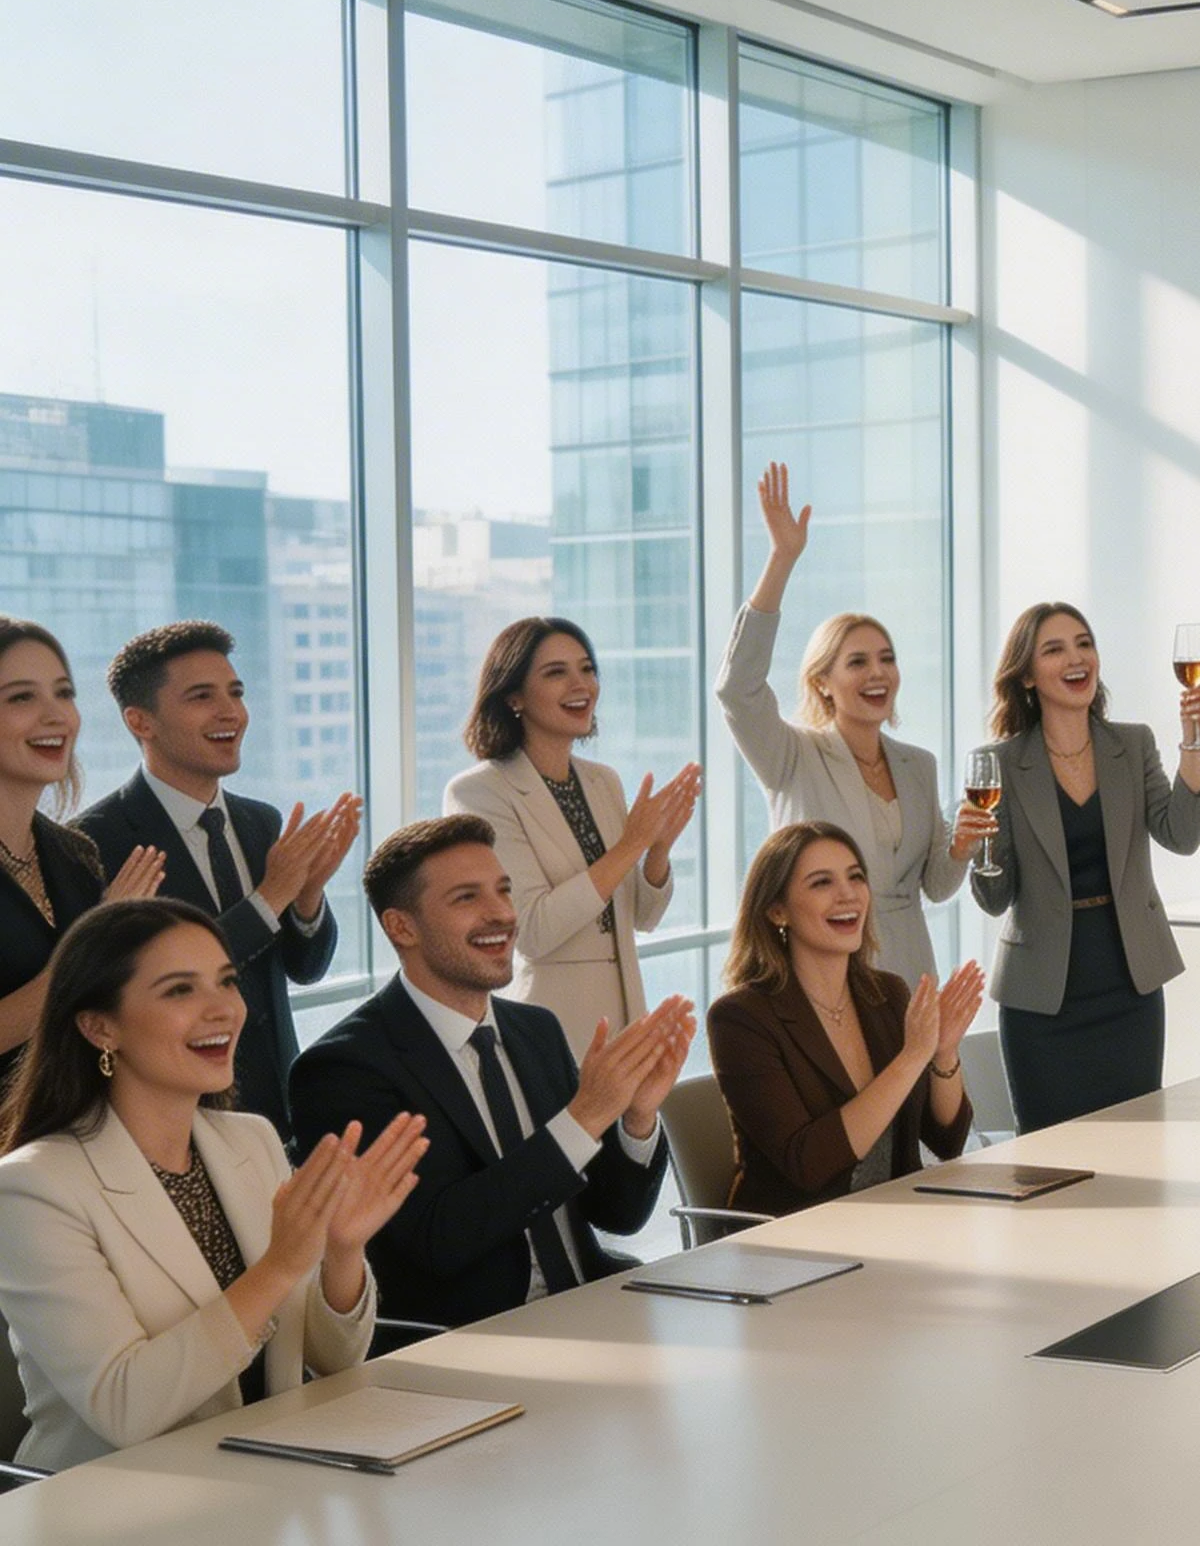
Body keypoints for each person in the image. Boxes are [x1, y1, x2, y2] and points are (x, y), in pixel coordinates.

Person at [0, 899, 424, 1470]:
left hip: (266, 1479)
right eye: (180, 990)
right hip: (112, 1504)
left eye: (227, 982)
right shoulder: (32, 1189)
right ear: (100, 1028)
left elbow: (334, 1360)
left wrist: (342, 1253)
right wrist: (278, 1266)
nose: (223, 1008)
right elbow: (124, 1410)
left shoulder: (250, 1140)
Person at [287, 816, 689, 1330]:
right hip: (469, 1340)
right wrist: (584, 1116)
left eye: (503, 891)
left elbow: (618, 1216)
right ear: (401, 926)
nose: (500, 913)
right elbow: (436, 1241)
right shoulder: (343, 1069)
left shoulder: (535, 1030)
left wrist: (636, 1118)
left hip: (592, 1309)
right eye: (466, 898)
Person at [77, 622, 361, 1144]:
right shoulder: (95, 843)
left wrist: (307, 897)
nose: (230, 711)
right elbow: (136, 986)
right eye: (201, 696)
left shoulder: (261, 823)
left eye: (235, 692)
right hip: (170, 1122)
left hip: (278, 1112)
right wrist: (270, 897)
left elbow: (306, 968)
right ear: (140, 721)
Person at [716, 463, 995, 989]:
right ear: (822, 682)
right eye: (858, 662)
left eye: (886, 659)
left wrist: (959, 848)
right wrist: (782, 559)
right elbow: (737, 689)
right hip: (827, 972)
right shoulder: (792, 756)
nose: (877, 674)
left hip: (911, 973)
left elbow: (935, 887)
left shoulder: (919, 764)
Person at [969, 602, 1200, 1133]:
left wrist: (1193, 739)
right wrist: (977, 845)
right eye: (1054, 649)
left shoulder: (1132, 743)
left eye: (1084, 643)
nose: (1076, 658)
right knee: (1046, 1162)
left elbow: (1182, 834)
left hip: (1129, 987)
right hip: (1041, 1000)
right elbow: (994, 897)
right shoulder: (1002, 764)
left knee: (1137, 1147)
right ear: (1028, 676)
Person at [444, 616, 700, 1058]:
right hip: (546, 1024)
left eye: (587, 668)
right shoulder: (479, 792)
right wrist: (631, 846)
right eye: (556, 672)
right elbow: (532, 930)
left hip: (625, 1018)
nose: (581, 684)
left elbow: (642, 916)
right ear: (514, 696)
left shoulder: (604, 782)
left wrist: (657, 849)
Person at [706, 822, 983, 1216]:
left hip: (896, 1222)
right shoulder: (740, 1020)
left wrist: (942, 1053)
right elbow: (808, 1164)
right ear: (777, 910)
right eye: (822, 883)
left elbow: (945, 1141)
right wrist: (910, 1058)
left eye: (856, 877)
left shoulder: (886, 994)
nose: (848, 894)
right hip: (795, 1240)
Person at [0, 617, 164, 1080]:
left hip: (74, 1130)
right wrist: (92, 948)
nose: (57, 717)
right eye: (21, 697)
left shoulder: (75, 853)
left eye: (64, 693)